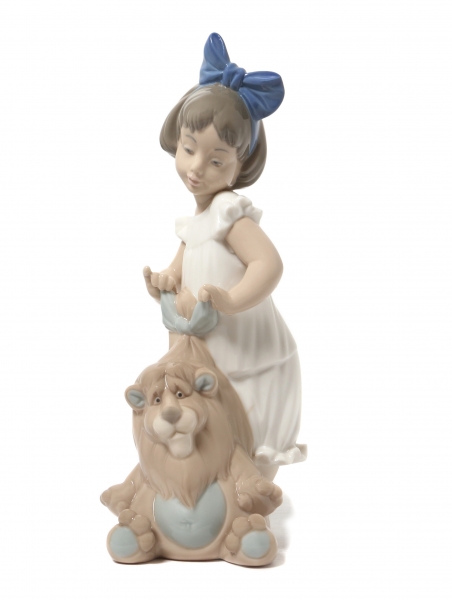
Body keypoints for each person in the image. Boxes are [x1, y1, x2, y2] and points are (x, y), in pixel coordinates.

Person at [143, 33, 306, 480]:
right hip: (206, 344)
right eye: (188, 149)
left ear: (240, 166)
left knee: (244, 420)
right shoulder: (196, 222)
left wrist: (232, 300)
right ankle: (210, 484)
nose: (196, 168)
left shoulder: (231, 214)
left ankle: (248, 490)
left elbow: (268, 264)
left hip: (244, 345)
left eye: (216, 161)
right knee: (206, 413)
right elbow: (182, 268)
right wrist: (164, 280)